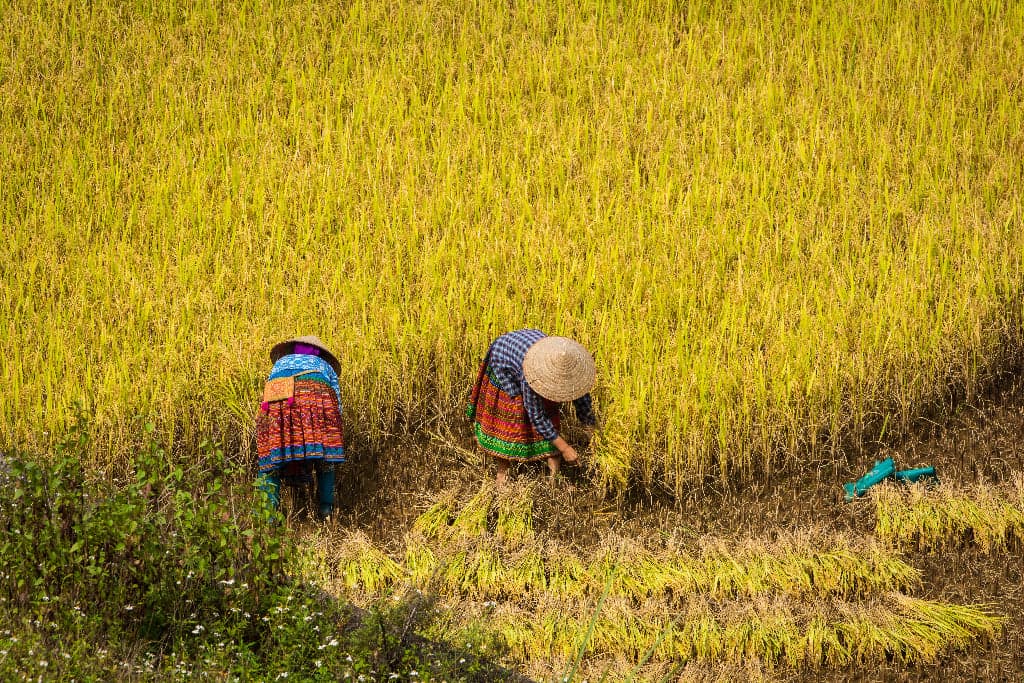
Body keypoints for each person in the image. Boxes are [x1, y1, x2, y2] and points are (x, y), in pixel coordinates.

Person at [467, 329, 597, 485]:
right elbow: (537, 417)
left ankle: (554, 480)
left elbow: (583, 404)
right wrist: (565, 448)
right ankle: (502, 477)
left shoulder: (575, 370)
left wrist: (593, 436)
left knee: (551, 411)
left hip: (529, 350)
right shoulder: (532, 375)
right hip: (504, 358)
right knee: (511, 417)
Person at [256, 336, 345, 519]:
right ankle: (326, 510)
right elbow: (337, 402)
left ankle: (269, 517)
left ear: (293, 349)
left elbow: (268, 391)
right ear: (320, 353)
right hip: (314, 401)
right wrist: (333, 431)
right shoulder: (324, 366)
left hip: (276, 407)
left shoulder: (280, 363)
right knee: (325, 457)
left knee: (271, 459)